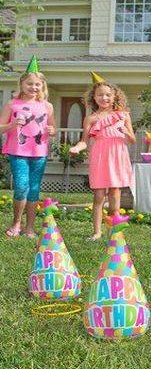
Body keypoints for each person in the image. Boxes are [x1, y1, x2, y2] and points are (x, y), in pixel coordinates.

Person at [70, 73, 135, 240]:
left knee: (115, 193)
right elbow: (84, 141)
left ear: (114, 97)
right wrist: (77, 148)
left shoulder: (123, 115)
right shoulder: (90, 119)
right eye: (100, 95)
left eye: (108, 95)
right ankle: (97, 232)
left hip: (118, 155)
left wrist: (126, 132)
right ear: (94, 97)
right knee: (99, 195)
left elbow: (132, 140)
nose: (104, 98)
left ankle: (115, 229)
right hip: (100, 157)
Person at [0, 56, 56, 238]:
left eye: (37, 84)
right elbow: (1, 127)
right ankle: (17, 222)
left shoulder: (47, 106)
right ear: (21, 84)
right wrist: (12, 125)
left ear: (42, 86)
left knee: (34, 188)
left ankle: (30, 227)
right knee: (21, 186)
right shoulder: (12, 104)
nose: (33, 87)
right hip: (18, 152)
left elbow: (53, 128)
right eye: (30, 84)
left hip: (39, 152)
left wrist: (51, 129)